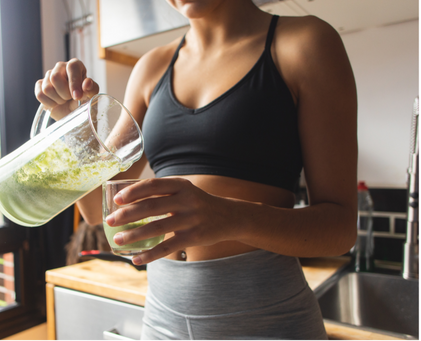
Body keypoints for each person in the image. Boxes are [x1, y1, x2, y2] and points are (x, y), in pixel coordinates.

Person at [35, 0, 357, 339]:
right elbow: (95, 210)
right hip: (162, 321)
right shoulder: (151, 67)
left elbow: (340, 229)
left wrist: (232, 217)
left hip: (267, 322)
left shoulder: (305, 43)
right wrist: (72, 127)